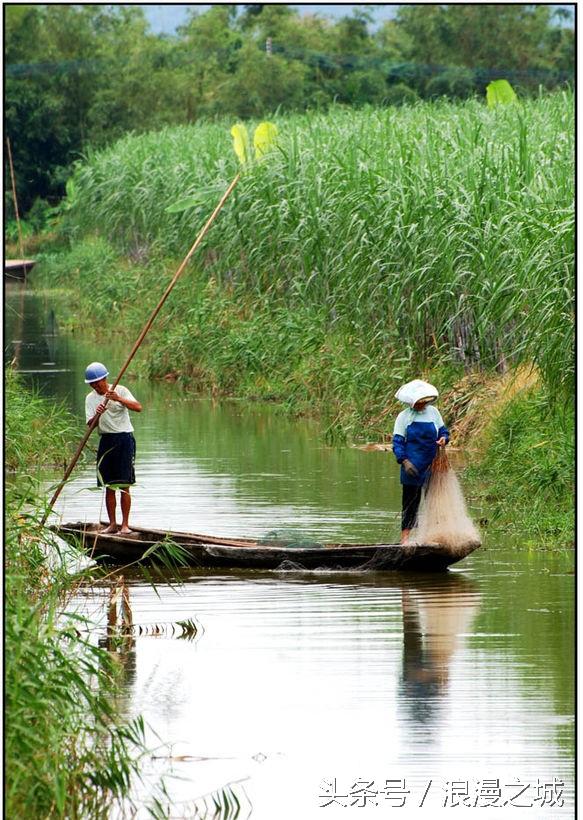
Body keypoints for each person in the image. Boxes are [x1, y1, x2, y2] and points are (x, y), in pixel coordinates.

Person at [84, 362, 142, 534]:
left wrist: (118, 399)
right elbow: (90, 425)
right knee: (109, 485)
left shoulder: (121, 390)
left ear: (105, 379)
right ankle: (112, 524)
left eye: (98, 382)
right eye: (92, 384)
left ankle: (125, 525)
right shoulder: (90, 398)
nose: (96, 386)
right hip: (106, 440)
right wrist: (98, 413)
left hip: (124, 439)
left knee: (124, 484)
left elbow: (138, 407)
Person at [392, 379, 449, 544]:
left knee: (433, 502)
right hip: (411, 467)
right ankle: (405, 539)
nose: (421, 405)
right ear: (411, 402)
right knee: (410, 504)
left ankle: (432, 537)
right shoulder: (404, 417)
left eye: (423, 401)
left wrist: (444, 439)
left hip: (432, 465)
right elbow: (398, 442)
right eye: (418, 402)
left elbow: (443, 432)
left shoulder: (434, 413)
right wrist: (404, 461)